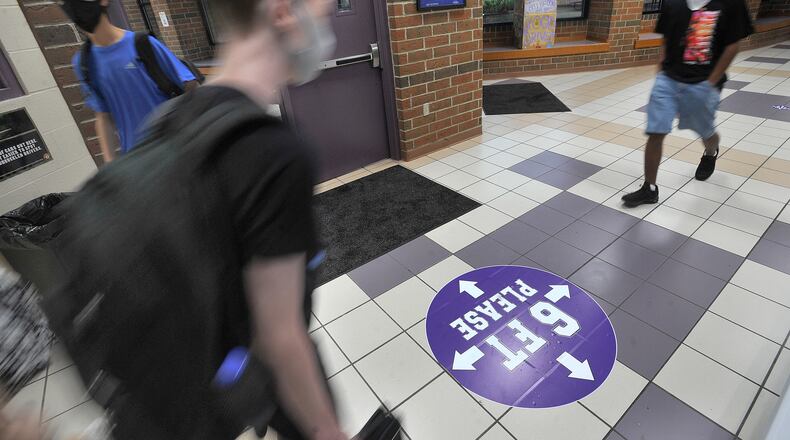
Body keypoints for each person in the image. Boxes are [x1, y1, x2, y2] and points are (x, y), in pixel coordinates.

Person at [622, 0, 753, 207]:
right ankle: (650, 188)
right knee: (656, 130)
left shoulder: (731, 3)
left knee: (704, 130)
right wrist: (661, 70)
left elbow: (732, 45)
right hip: (669, 79)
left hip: (704, 82)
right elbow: (666, 38)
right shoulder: (673, 2)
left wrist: (710, 83)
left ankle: (711, 151)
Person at [62, 0, 198, 162]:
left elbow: (190, 86)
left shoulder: (143, 44)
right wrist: (110, 165)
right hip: (137, 160)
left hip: (177, 149)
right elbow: (103, 115)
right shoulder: (83, 63)